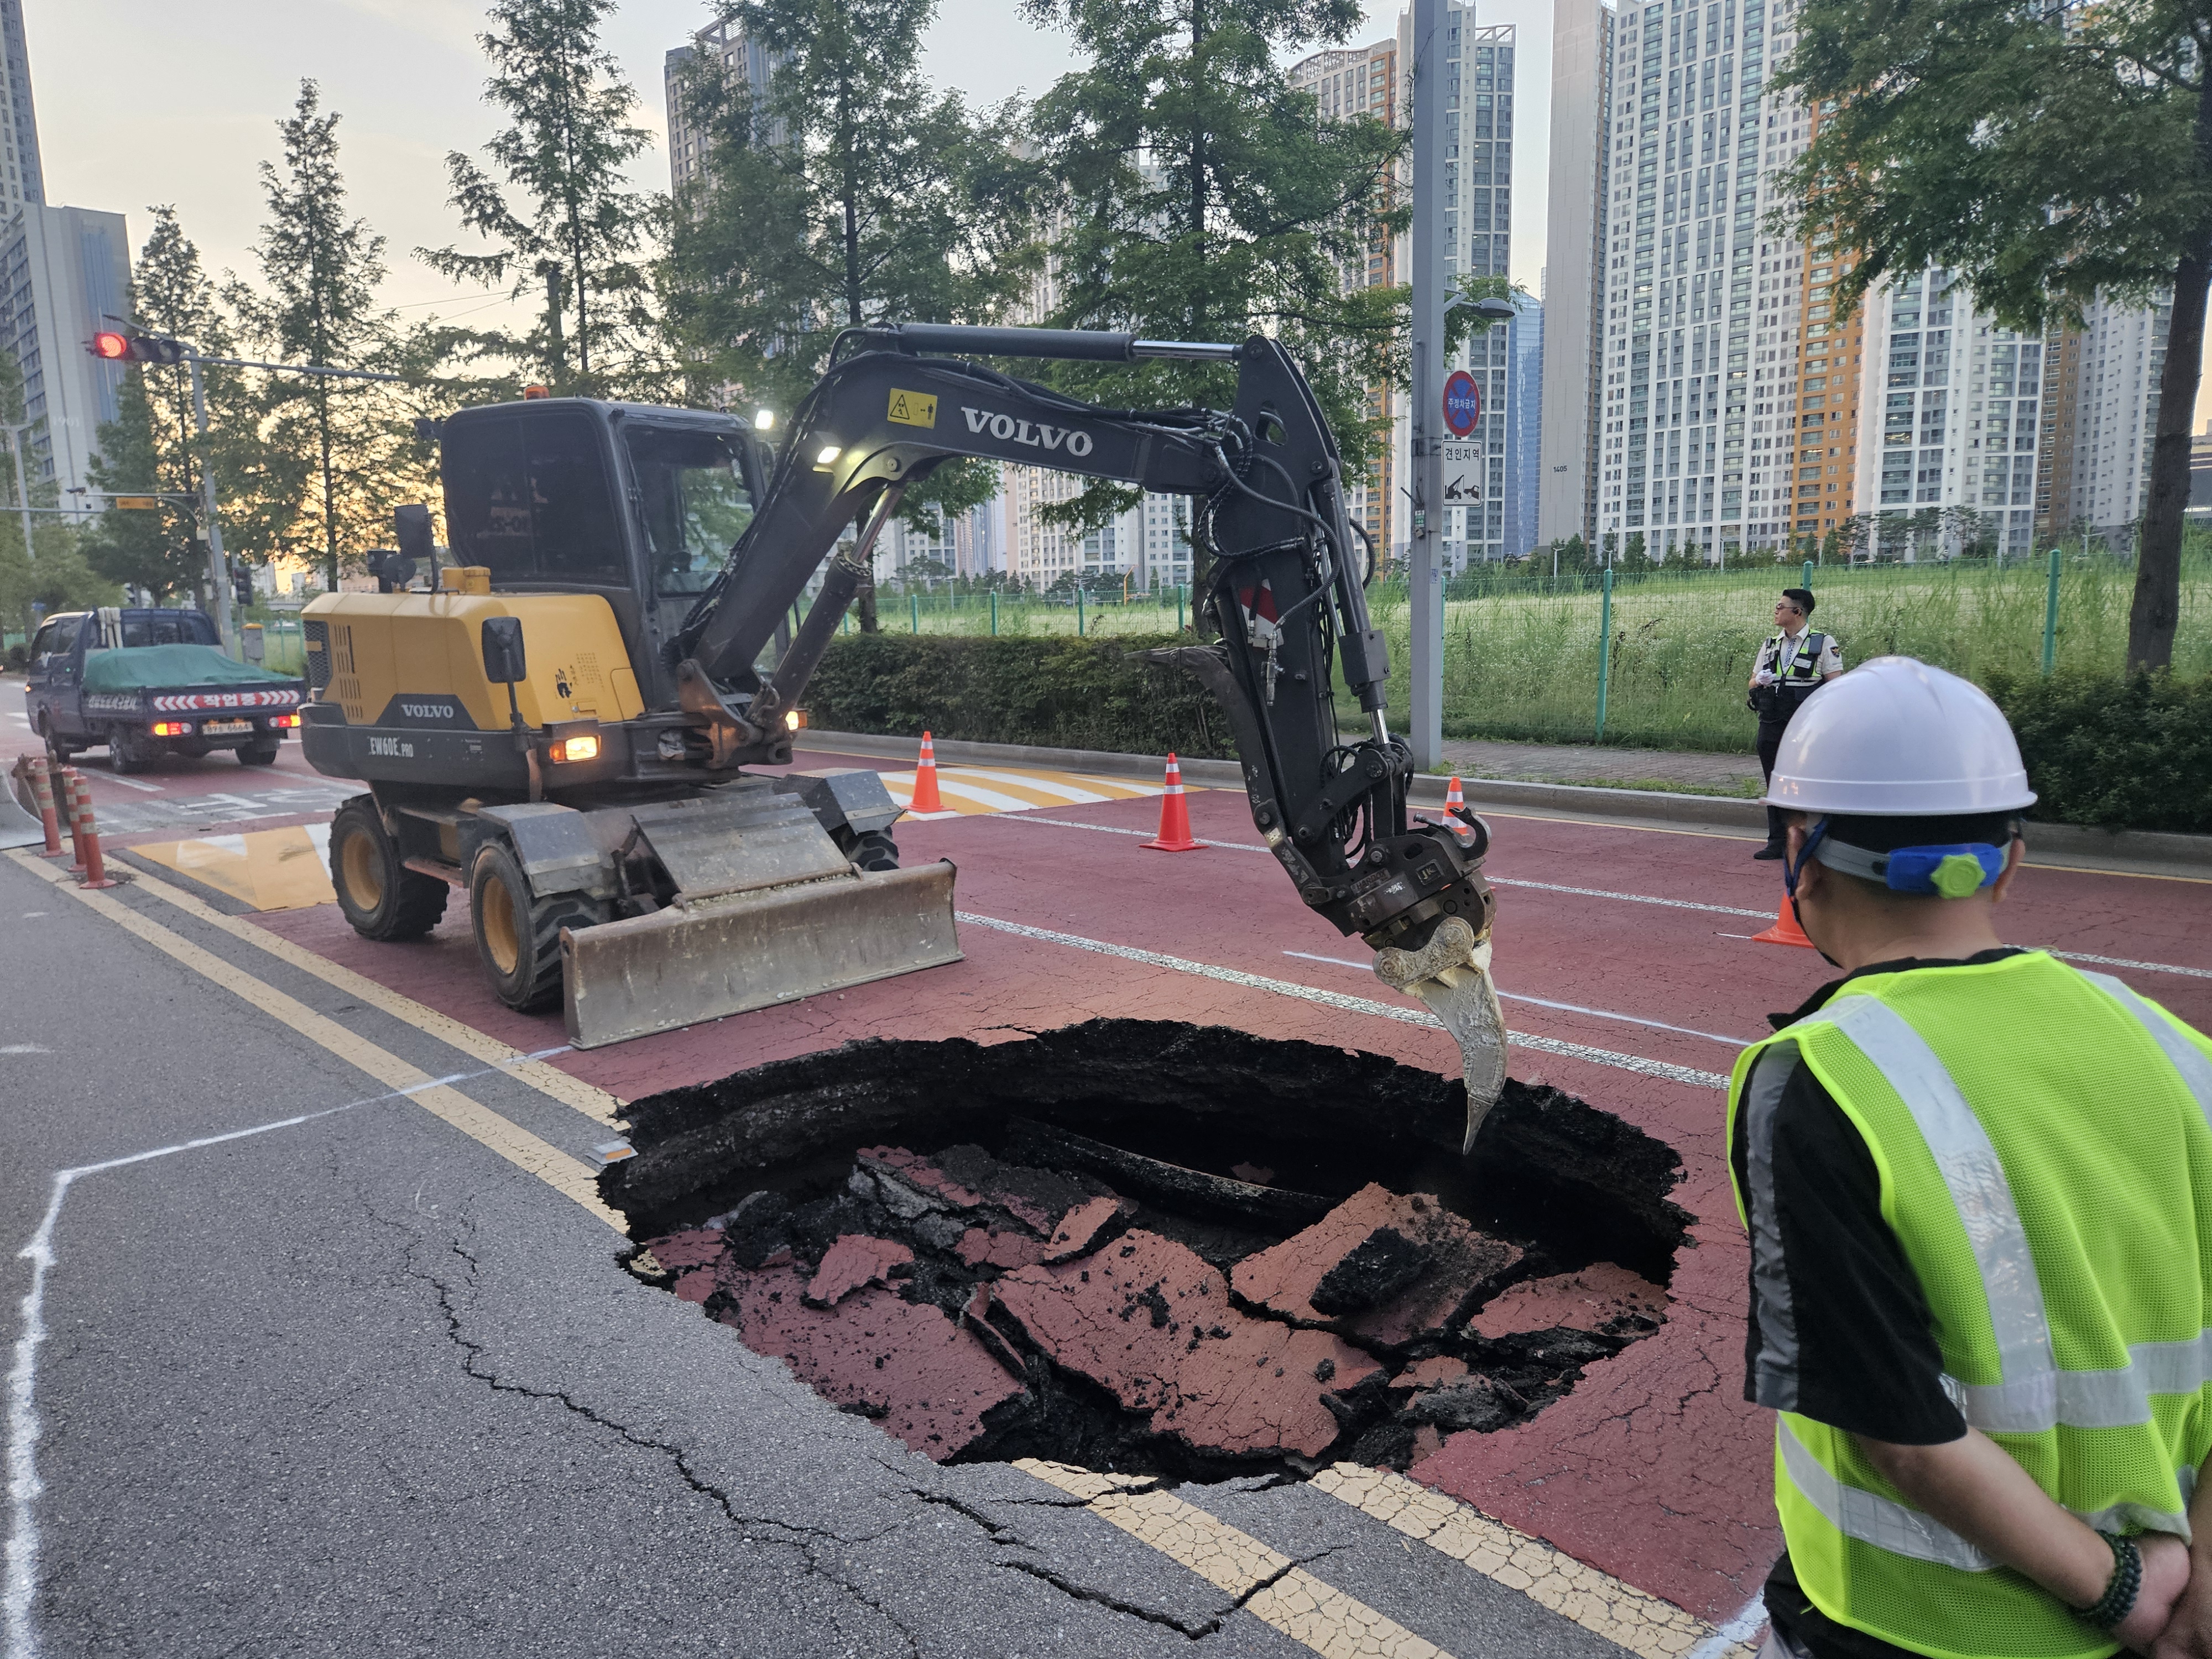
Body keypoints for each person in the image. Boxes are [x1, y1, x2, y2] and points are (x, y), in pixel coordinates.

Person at [1728, 656, 2212, 1659]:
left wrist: (2122, 1596)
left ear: (1800, 857)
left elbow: (1898, 1431)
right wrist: (2192, 1588)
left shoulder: (1816, 1080)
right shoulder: (2172, 1048)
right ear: (2011, 860)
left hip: (1918, 1625)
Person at [1750, 588, 1843, 859]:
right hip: (1771, 719)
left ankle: (1814, 839)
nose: (1776, 610)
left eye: (1781, 606)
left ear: (1797, 612)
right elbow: (1752, 680)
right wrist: (1760, 681)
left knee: (1809, 780)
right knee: (1774, 780)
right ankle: (1777, 840)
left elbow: (1835, 685)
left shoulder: (1822, 642)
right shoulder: (1770, 644)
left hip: (1805, 722)